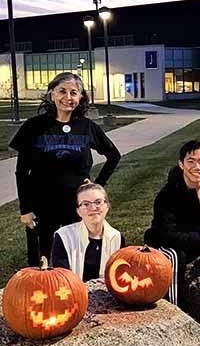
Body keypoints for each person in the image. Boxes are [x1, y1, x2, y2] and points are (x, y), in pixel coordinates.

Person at [10, 72, 121, 267]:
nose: (68, 98)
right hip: (42, 205)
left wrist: (98, 184)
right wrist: (26, 209)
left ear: (80, 98)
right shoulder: (34, 127)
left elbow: (113, 156)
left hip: (76, 206)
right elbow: (22, 172)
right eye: (62, 91)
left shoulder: (87, 127)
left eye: (74, 93)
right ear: (52, 94)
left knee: (74, 256)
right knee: (41, 262)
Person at [144, 140, 200, 307]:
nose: (197, 167)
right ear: (181, 164)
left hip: (196, 238)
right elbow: (166, 234)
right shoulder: (168, 195)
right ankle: (175, 308)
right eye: (191, 161)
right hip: (166, 242)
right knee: (176, 257)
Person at [51, 183, 125, 281]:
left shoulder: (117, 238)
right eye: (86, 204)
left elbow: (121, 276)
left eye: (98, 202)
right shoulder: (63, 237)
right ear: (78, 211)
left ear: (107, 206)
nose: (93, 208)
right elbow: (62, 279)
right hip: (73, 293)